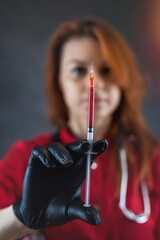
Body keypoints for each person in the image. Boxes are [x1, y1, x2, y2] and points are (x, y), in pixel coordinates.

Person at [0, 16, 160, 240]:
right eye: (77, 70)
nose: (94, 84)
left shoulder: (153, 161)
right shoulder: (27, 159)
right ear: (58, 82)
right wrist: (20, 218)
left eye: (108, 70)